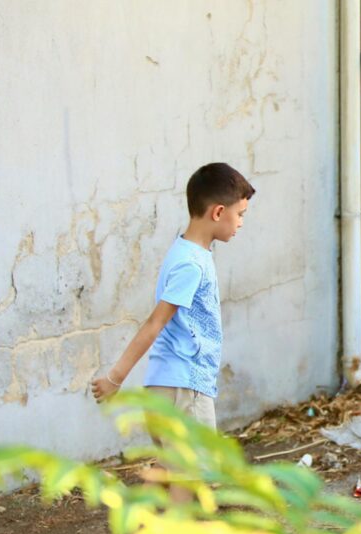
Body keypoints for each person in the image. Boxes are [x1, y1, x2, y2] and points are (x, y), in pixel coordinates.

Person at [90, 162, 255, 433]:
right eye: (240, 214)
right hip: (184, 390)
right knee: (197, 475)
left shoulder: (184, 252)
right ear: (218, 212)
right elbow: (156, 322)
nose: (241, 223)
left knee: (170, 473)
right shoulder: (191, 264)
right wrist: (115, 378)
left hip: (167, 388)